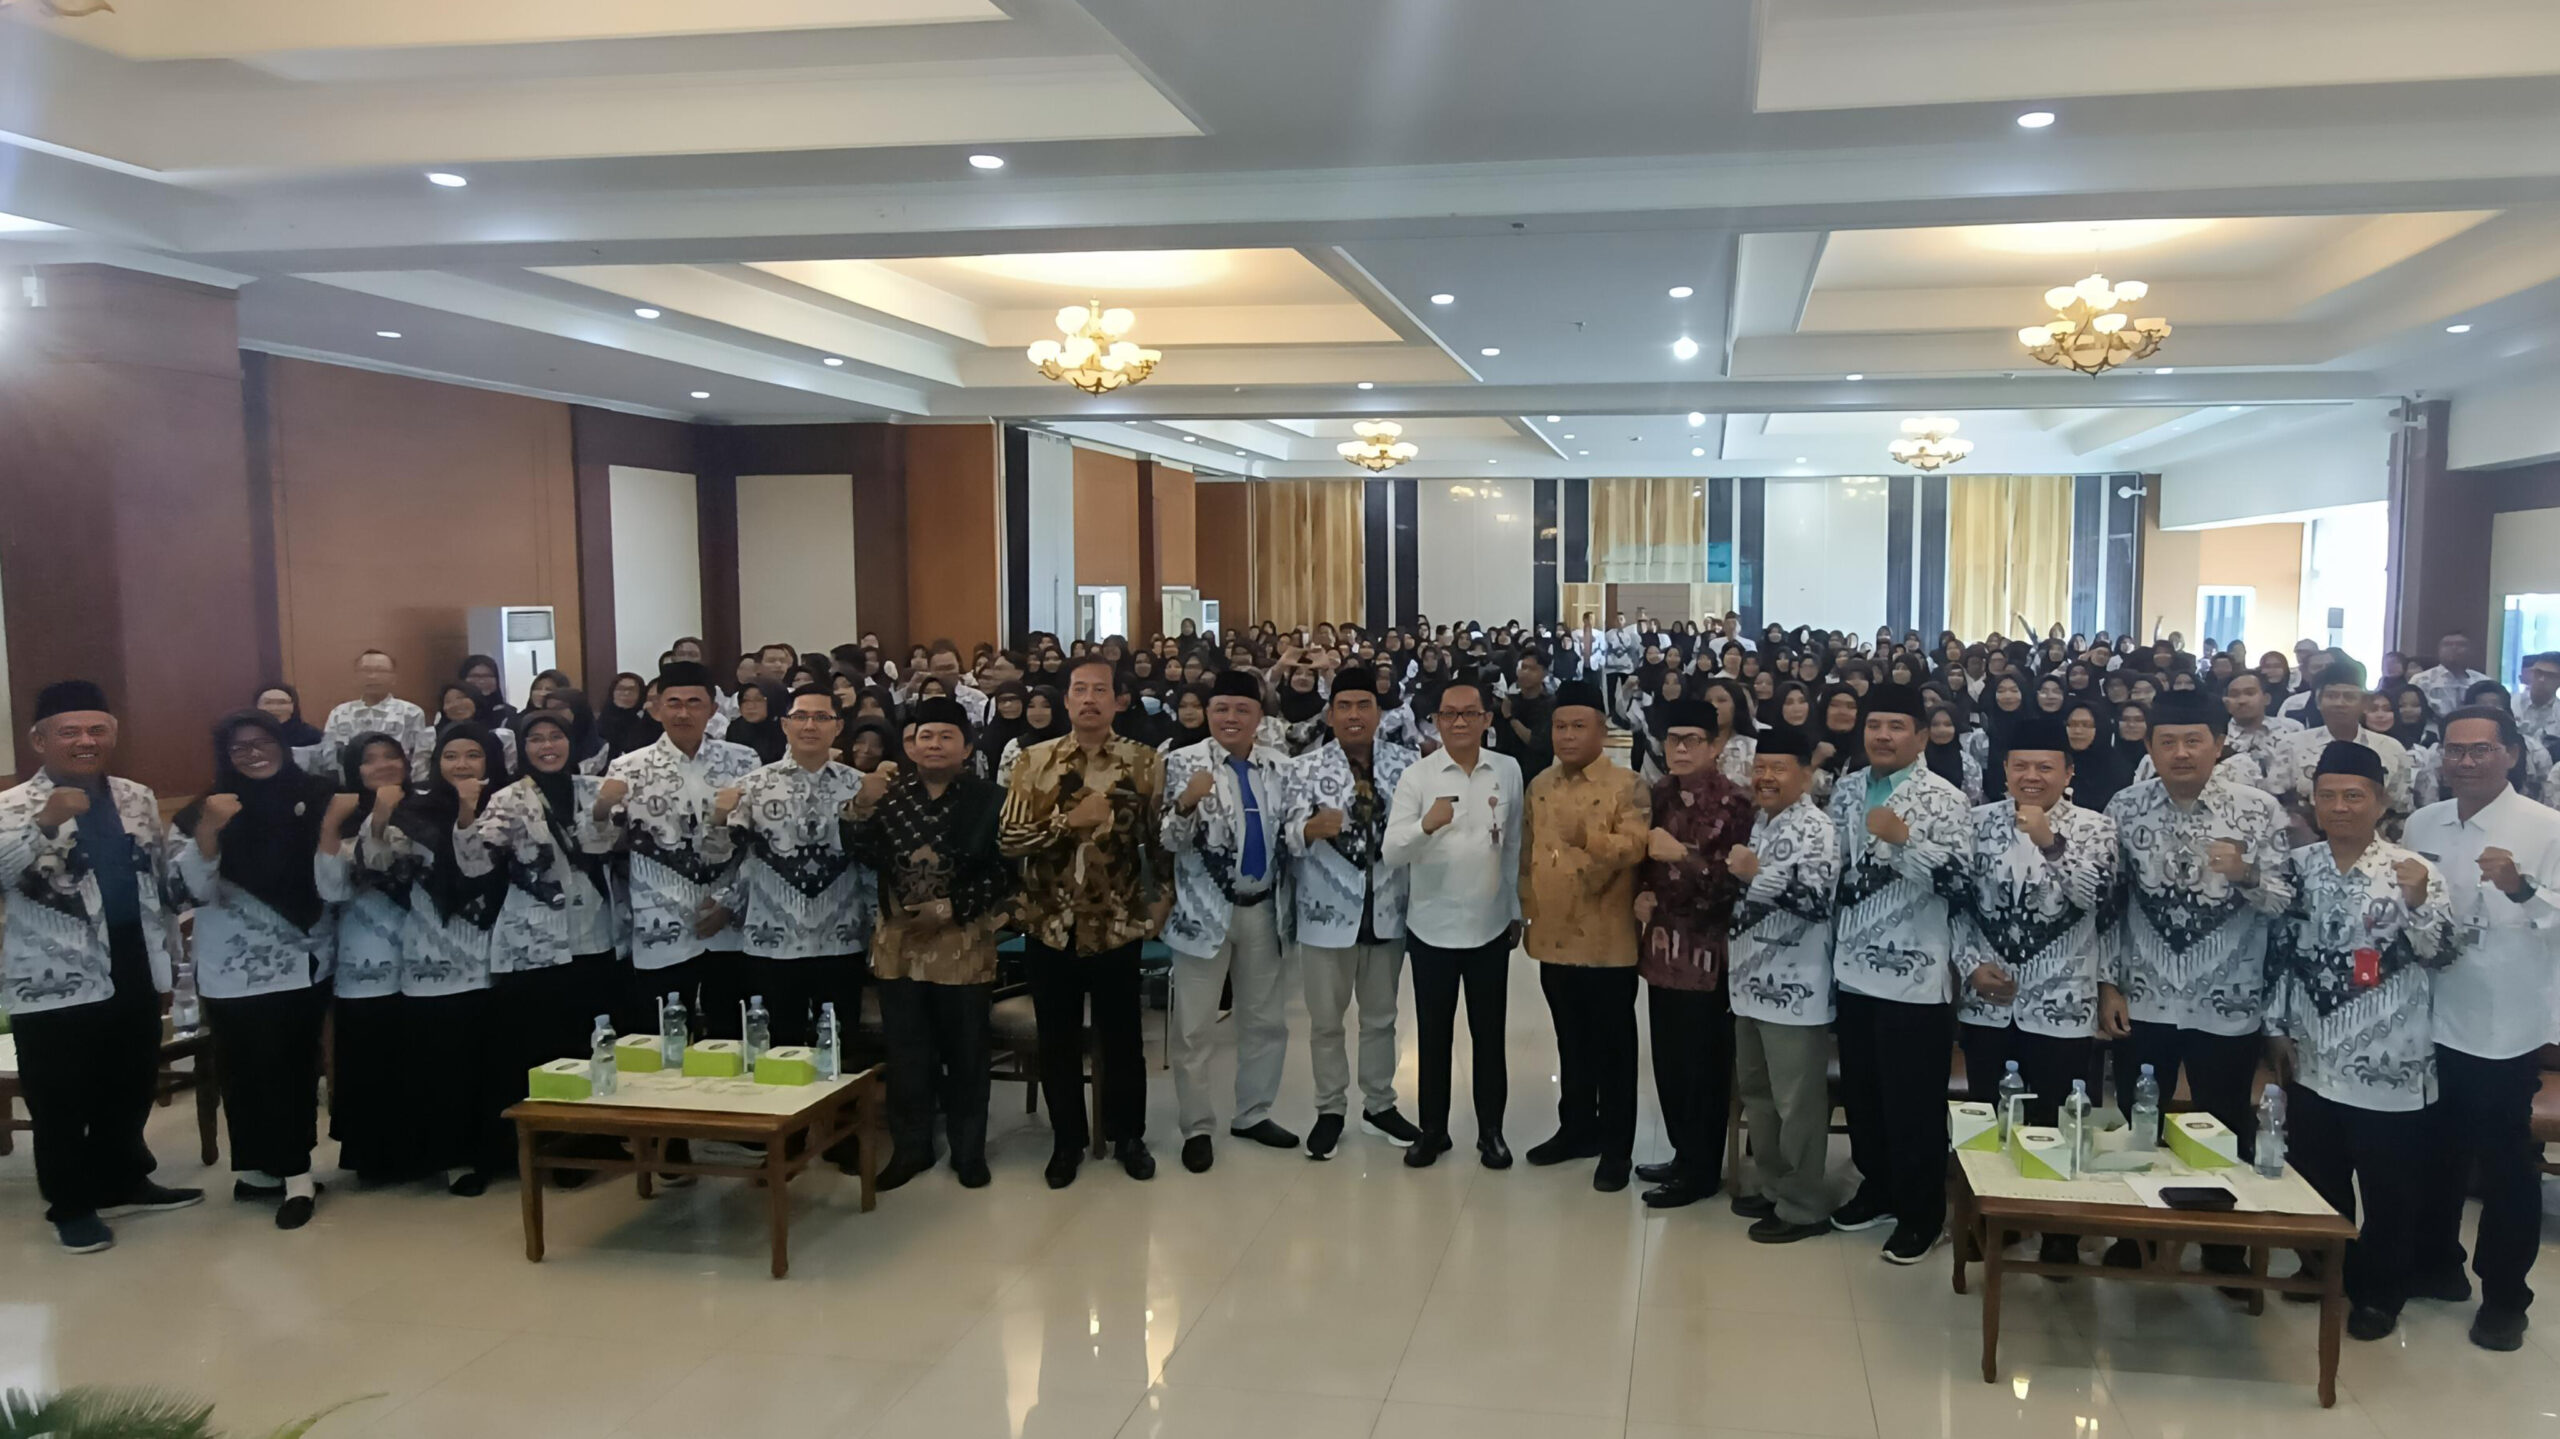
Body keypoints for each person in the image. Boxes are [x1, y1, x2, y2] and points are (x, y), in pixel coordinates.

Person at [2266, 742, 2461, 1342]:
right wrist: (2275, 1029)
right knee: (2315, 1174)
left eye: (2353, 796)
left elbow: (2442, 954)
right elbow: (2279, 953)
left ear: (2381, 802)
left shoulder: (2414, 869)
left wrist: (2418, 902)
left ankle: (2379, 1292)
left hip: (2390, 1056)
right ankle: (2325, 1271)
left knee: (2390, 1188)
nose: (2340, 807)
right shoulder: (2297, 867)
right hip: (2313, 1051)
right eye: (2327, 796)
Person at [0, 681, 200, 1253]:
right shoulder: (11, 805)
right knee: (60, 1095)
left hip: (134, 957)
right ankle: (69, 1205)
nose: (85, 741)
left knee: (130, 1080)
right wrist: (44, 823)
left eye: (97, 730)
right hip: (52, 974)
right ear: (39, 740)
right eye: (70, 732)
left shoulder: (136, 795)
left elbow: (158, 875)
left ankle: (121, 1179)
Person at [2100, 690, 2294, 1275]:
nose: (2180, 753)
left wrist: (2246, 874)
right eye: (2167, 742)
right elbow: (2109, 906)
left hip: (2227, 999)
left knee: (2222, 1122)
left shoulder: (2258, 811)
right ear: (2149, 746)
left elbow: (2285, 903)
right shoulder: (2124, 807)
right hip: (2143, 997)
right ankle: (2136, 1235)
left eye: (2193, 741)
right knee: (2139, 1119)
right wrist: (2108, 985)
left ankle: (2222, 1246)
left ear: (2220, 744)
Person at [2403, 705, 2560, 1350]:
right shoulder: (2423, 822)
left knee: (2504, 1169)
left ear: (2512, 754)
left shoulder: (2546, 827)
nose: (2465, 762)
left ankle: (2505, 1297)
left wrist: (2522, 889)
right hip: (2429, 1014)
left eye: (2481, 750)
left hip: (2504, 1025)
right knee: (2432, 1155)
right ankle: (2437, 1265)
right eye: (2455, 750)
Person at [1946, 713, 2117, 1269]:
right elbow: (1956, 906)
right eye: (2021, 766)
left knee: (2055, 1118)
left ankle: (2058, 1231)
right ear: (2004, 770)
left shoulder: (2095, 828)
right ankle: (1991, 1222)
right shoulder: (1976, 823)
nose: (2032, 777)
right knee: (1989, 1116)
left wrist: (2051, 842)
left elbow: (2098, 900)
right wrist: (1970, 965)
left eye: (2045, 767)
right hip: (1988, 1002)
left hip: (2061, 1002)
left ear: (2068, 772)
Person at [999, 656, 1170, 1188]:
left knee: (1124, 1038)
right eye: (1080, 689)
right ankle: (1067, 1141)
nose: (1090, 699)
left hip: (1116, 921)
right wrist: (1065, 822)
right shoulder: (1033, 760)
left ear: (1118, 700)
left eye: (1100, 690)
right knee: (1058, 1039)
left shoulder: (1143, 761)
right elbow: (1009, 840)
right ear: (1067, 700)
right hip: (1050, 923)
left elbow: (1157, 840)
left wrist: (1163, 899)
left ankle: (1129, 1136)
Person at [170, 711, 341, 1231]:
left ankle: (297, 1176)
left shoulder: (317, 796)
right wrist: (209, 830)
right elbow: (189, 890)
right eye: (239, 747)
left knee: (289, 1069)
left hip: (300, 958)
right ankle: (260, 1169)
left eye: (263, 742)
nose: (253, 754)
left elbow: (331, 879)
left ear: (283, 743)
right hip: (229, 964)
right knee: (241, 1071)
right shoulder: (205, 808)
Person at [1824, 681, 1973, 1264]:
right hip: (1851, 967)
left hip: (1915, 974)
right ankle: (1878, 1187)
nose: (1882, 736)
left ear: (1921, 736)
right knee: (1863, 1094)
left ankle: (1921, 1211)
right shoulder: (1848, 789)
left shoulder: (1945, 799)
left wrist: (1906, 841)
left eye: (1896, 727)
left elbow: (1962, 883)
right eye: (1874, 726)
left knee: (1912, 1100)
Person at [846, 696, 1015, 1191]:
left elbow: (1006, 871)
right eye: (925, 736)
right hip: (899, 942)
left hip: (963, 941)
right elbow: (861, 853)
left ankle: (968, 1152)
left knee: (967, 1053)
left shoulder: (992, 799)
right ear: (911, 746)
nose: (934, 745)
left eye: (946, 736)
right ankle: (911, 1148)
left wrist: (950, 907)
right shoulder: (889, 795)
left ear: (967, 747)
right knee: (907, 1053)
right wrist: (860, 809)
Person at [457, 708, 622, 1148]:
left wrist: (602, 809)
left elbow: (602, 844)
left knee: (591, 1040)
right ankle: (547, 1145)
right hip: (533, 940)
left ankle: (596, 1139)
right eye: (536, 739)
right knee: (540, 1044)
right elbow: (475, 864)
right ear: (523, 748)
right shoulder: (508, 798)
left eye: (556, 736)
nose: (547, 746)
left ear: (572, 741)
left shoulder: (595, 789)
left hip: (594, 932)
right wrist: (467, 813)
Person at [1280, 664, 1424, 1160]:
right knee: (1326, 1021)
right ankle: (1330, 1109)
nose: (1354, 715)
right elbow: (1284, 837)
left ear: (1379, 713)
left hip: (1387, 908)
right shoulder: (1303, 768)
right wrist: (1308, 830)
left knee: (1382, 1017)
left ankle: (1379, 1104)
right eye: (1344, 706)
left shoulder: (1407, 765)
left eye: (1364, 705)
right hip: (1325, 912)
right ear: (1330, 714)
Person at [1160, 670, 1300, 1171]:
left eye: (1242, 709)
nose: (1231, 718)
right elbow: (1168, 840)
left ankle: (1253, 1113)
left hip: (1263, 909)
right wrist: (1186, 802)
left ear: (1260, 717)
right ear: (1208, 713)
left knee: (1265, 1021)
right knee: (1194, 1028)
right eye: (1221, 709)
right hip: (1203, 911)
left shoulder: (1280, 767)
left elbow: (1293, 837)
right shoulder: (1182, 762)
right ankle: (1197, 1126)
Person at [1517, 681, 1651, 1192]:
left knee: (1613, 1048)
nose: (1568, 736)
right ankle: (1576, 1129)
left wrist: (1588, 838)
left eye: (1578, 726)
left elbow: (1636, 846)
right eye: (1560, 726)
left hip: (1606, 939)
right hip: (1553, 933)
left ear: (1601, 729)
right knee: (1569, 1041)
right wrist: (1526, 911)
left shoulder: (1628, 785)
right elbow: (1526, 855)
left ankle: (1616, 1149)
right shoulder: (1540, 785)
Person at [1386, 677, 1524, 1169]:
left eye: (1469, 713)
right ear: (1436, 721)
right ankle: (1433, 1131)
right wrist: (1427, 824)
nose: (1459, 722)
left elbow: (1513, 845)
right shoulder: (1417, 776)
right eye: (1448, 714)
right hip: (1432, 927)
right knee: (1433, 1035)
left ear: (1487, 719)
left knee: (1489, 1035)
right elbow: (1392, 850)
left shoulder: (1507, 770)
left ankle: (1492, 1132)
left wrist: (1515, 909)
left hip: (1490, 924)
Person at [373, 723, 513, 1195]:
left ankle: (499, 1151)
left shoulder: (510, 805)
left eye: (474, 755)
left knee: (494, 1060)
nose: (462, 765)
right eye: (451, 756)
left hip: (500, 950)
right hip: (434, 952)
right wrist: (379, 819)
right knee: (445, 1066)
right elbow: (380, 868)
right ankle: (456, 1157)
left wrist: (472, 812)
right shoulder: (413, 813)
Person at [1632, 696, 1756, 1208]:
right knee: (1668, 1061)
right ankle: (1683, 1155)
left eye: (1692, 740)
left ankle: (1703, 1169)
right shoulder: (1659, 793)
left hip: (1710, 956)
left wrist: (1681, 857)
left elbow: (1736, 885)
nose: (1680, 749)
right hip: (1662, 951)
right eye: (1673, 740)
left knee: (1704, 1067)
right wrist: (1642, 889)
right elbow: (1643, 861)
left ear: (1713, 746)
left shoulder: (1736, 804)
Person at [595, 662, 761, 1040]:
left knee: (731, 1040)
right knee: (663, 1042)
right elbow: (600, 845)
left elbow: (757, 843)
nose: (683, 713)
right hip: (659, 924)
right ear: (657, 709)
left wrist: (729, 902)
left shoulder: (743, 760)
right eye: (673, 703)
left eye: (694, 703)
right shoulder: (628, 767)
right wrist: (600, 809)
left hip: (729, 922)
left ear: (713, 709)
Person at [717, 685, 873, 1072]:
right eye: (800, 716)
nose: (810, 726)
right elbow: (731, 858)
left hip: (840, 936)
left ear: (838, 726)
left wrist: (877, 924)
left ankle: (838, 1113)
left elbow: (872, 864)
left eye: (821, 717)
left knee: (839, 1050)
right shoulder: (753, 786)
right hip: (772, 937)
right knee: (777, 1050)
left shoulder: (860, 786)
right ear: (785, 724)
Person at [1723, 723, 1838, 1243]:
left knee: (1797, 1105)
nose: (1765, 777)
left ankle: (1804, 1205)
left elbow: (1817, 902)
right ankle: (1773, 1188)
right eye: (1760, 768)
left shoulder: (1818, 828)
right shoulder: (1761, 821)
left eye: (1778, 769)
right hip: (1748, 982)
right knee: (1759, 1095)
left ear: (1806, 776)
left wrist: (1756, 874)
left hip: (1796, 987)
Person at [315, 732, 416, 1185]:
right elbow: (332, 888)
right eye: (369, 760)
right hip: (364, 956)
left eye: (390, 756)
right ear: (354, 770)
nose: (382, 766)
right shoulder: (341, 817)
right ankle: (374, 1156)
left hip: (426, 953)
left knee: (417, 1055)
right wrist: (335, 826)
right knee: (371, 1058)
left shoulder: (425, 809)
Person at [2272, 657, 2411, 820]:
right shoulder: (2291, 745)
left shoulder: (2390, 748)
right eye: (2331, 696)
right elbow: (2277, 802)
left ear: (2365, 703)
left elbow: (2400, 807)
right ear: (2318, 702)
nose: (2339, 703)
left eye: (2349, 697)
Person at [318, 648, 435, 778]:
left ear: (393, 678)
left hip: (396, 783)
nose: (372, 676)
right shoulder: (339, 713)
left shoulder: (411, 712)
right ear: (356, 677)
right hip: (348, 784)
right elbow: (329, 757)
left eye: (380, 670)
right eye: (366, 670)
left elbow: (419, 758)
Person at [2218, 669, 2302, 792]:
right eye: (2234, 695)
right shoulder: (2218, 739)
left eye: (2250, 693)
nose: (2242, 700)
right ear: (2226, 703)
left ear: (2266, 699)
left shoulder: (2292, 729)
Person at [1497, 650, 1557, 784]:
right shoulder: (1510, 701)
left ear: (1544, 673)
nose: (1525, 673)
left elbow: (1536, 742)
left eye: (1532, 669)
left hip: (1537, 774)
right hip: (1508, 773)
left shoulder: (1550, 704)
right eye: (1523, 667)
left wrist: (1511, 718)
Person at [2408, 630, 2491, 720]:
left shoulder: (2484, 682)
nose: (2454, 648)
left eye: (2461, 645)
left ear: (2470, 651)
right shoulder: (2421, 680)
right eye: (2447, 645)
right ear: (2439, 651)